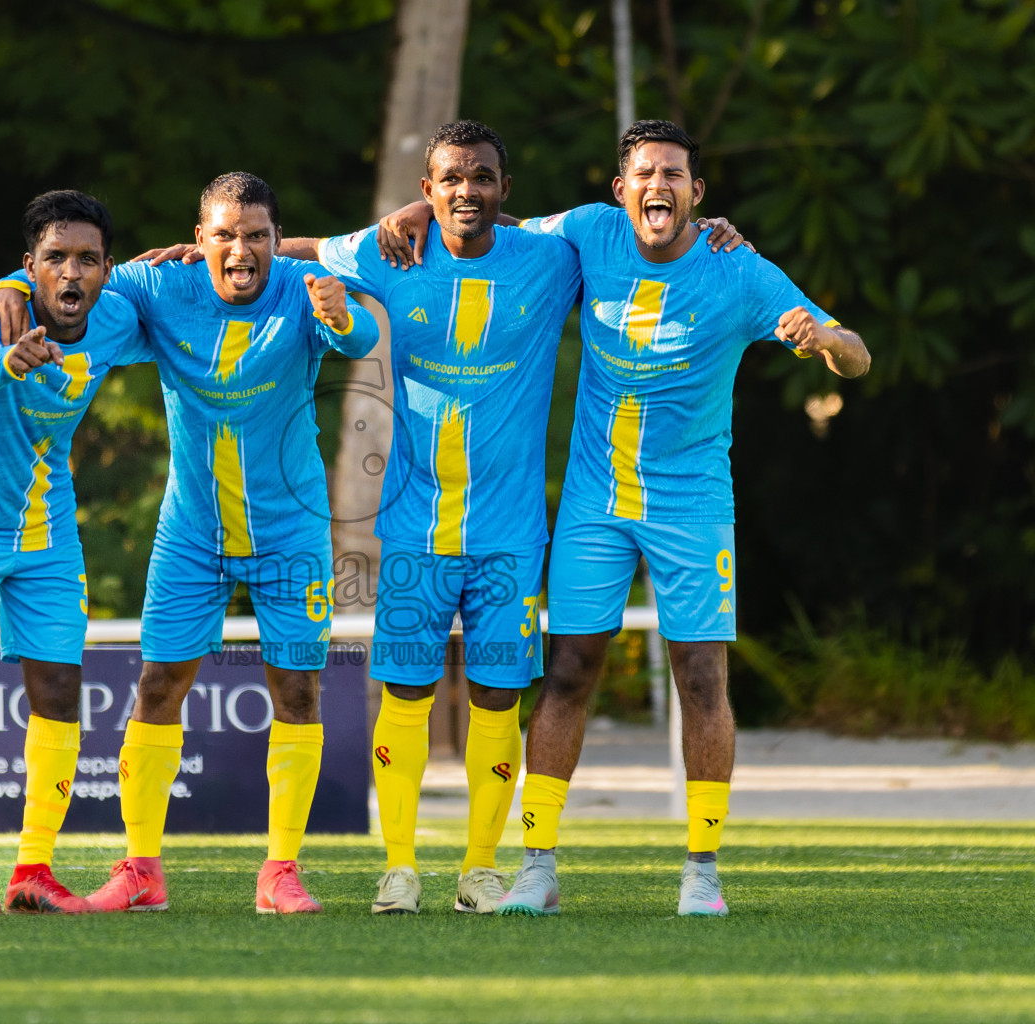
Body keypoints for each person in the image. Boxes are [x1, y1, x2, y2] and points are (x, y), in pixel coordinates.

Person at [148, 121, 746, 916]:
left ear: (505, 190)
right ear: (428, 190)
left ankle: (481, 869)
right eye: (451, 180)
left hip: (509, 539)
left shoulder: (553, 256)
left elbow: (641, 233)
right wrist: (219, 251)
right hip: (412, 532)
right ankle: (399, 868)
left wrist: (710, 232)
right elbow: (307, 246)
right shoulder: (393, 251)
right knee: (404, 695)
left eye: (483, 178)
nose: (468, 192)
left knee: (500, 698)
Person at [411, 119, 869, 916]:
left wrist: (825, 337)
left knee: (700, 678)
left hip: (693, 505)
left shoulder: (740, 269)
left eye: (675, 174)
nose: (659, 185)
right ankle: (539, 867)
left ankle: (702, 871)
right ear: (621, 189)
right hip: (595, 502)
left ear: (697, 192)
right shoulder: (588, 232)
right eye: (645, 173)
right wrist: (413, 216)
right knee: (568, 673)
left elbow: (858, 354)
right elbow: (496, 223)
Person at [0, 172, 379, 915]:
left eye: (256, 235)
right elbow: (70, 272)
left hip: (291, 531)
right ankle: (141, 871)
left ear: (277, 242)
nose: (241, 251)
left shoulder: (304, 286)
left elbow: (362, 336)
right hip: (191, 530)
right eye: (224, 235)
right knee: (159, 685)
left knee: (297, 690)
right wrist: (5, 279)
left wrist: (340, 313)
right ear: (200, 241)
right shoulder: (160, 286)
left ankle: (280, 870)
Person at [0, 189, 147, 915]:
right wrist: (13, 357)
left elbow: (167, 280)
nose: (71, 273)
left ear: (106, 268)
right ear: (30, 266)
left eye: (86, 259)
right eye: (54, 259)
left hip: (47, 535)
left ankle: (32, 870)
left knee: (58, 693)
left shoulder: (115, 315)